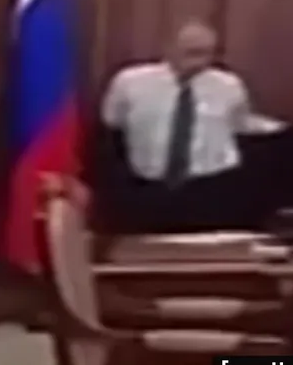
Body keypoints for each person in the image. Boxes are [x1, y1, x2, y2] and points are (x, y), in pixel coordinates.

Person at [99, 20, 252, 233]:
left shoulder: (229, 85)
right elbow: (113, 123)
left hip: (212, 186)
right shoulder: (129, 82)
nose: (200, 61)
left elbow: (239, 126)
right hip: (148, 187)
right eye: (192, 53)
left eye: (208, 53)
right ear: (169, 48)